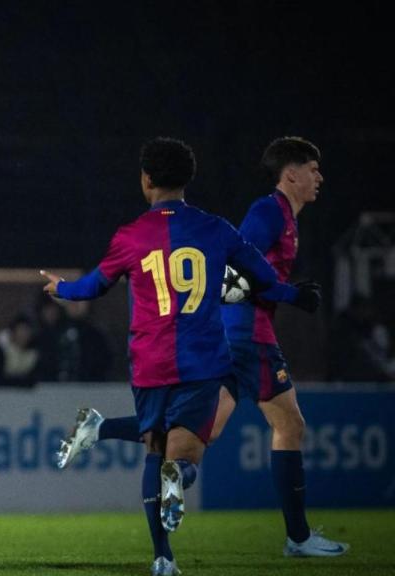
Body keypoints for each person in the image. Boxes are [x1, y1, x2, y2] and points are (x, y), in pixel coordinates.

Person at [56, 137, 349, 559]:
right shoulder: (267, 213)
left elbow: (95, 284)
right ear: (291, 173)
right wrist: (286, 295)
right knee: (279, 425)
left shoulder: (277, 216)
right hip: (245, 337)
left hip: (221, 340)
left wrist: (62, 288)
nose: (319, 176)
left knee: (192, 435)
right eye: (313, 168)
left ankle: (101, 431)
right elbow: (237, 268)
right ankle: (297, 537)